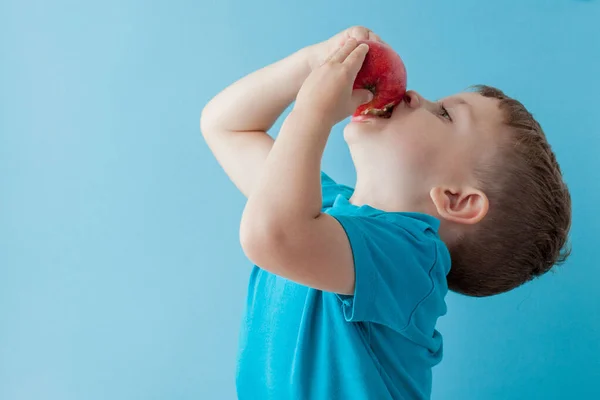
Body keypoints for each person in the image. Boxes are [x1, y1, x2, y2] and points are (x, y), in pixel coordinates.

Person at [200, 26, 571, 400]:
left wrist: (312, 111)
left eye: (444, 114)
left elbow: (273, 236)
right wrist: (311, 65)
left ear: (456, 199)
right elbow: (228, 127)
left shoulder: (412, 262)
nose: (414, 96)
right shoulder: (325, 210)